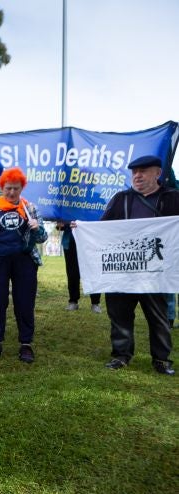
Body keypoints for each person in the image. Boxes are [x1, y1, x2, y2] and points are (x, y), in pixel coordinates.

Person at [100, 155, 177, 375]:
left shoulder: (173, 198)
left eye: (143, 171)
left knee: (158, 317)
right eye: (134, 172)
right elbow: (103, 229)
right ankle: (121, 355)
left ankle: (161, 360)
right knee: (120, 315)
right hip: (124, 272)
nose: (137, 176)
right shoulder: (121, 198)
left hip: (156, 272)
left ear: (158, 173)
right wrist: (82, 229)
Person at [0, 167, 47, 363]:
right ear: (1, 188)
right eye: (8, 188)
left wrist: (37, 228)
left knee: (24, 302)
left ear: (22, 187)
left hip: (24, 261)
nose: (12, 192)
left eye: (16, 188)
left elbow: (43, 237)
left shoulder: (30, 208)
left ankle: (26, 344)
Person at [56, 220, 101, 312]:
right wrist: (62, 224)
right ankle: (73, 301)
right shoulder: (67, 207)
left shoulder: (95, 206)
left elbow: (98, 220)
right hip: (70, 242)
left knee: (93, 270)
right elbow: (60, 223)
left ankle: (95, 303)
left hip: (90, 242)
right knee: (72, 273)